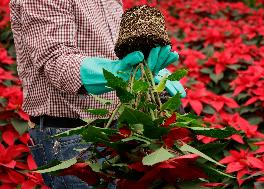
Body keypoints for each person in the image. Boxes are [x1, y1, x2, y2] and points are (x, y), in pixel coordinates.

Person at [9, 0, 186, 188]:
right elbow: (56, 62)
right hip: (70, 137)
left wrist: (144, 69)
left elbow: (115, 48)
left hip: (114, 129)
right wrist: (118, 72)